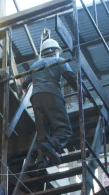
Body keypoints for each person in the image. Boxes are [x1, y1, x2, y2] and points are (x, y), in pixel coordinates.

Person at [21, 30, 77, 167]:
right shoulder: (59, 60)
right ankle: (50, 145)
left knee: (42, 132)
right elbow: (69, 77)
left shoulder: (34, 65)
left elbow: (24, 85)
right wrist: (80, 91)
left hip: (35, 98)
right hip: (52, 95)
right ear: (56, 51)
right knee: (64, 129)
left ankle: (41, 163)